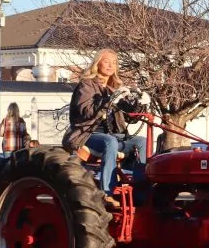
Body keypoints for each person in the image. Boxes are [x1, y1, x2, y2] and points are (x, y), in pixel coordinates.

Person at [62, 48, 147, 205]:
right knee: (110, 141)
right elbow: (86, 111)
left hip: (113, 135)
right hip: (87, 134)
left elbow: (130, 117)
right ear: (97, 63)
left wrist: (139, 105)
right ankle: (106, 192)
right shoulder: (86, 85)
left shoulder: (117, 87)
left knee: (141, 141)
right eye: (106, 61)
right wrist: (109, 100)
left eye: (114, 62)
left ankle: (141, 193)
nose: (110, 65)